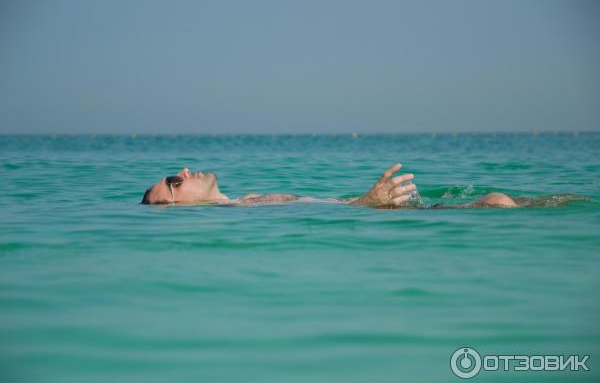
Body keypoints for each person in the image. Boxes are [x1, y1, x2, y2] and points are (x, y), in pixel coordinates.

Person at [141, 164, 518, 208]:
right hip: (370, 212)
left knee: (501, 201)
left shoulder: (246, 201)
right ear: (176, 206)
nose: (186, 171)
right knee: (498, 201)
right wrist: (369, 202)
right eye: (175, 181)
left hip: (369, 208)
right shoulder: (242, 211)